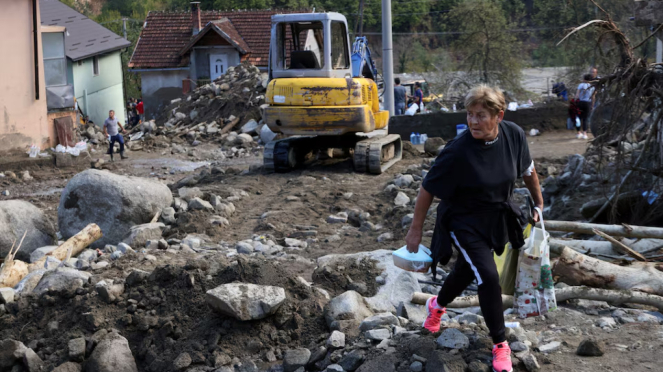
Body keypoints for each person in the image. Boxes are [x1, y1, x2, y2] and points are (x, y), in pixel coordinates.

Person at [405, 85, 543, 372]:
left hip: (497, 217)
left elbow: (528, 171)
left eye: (481, 115)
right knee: (488, 276)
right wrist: (415, 230)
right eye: (469, 115)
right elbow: (427, 189)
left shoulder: (514, 135)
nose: (473, 122)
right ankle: (500, 345)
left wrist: (539, 204)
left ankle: (436, 305)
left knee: (469, 269)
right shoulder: (457, 151)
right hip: (463, 220)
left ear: (499, 116)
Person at [575, 74, 595, 140]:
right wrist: (592, 105)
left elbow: (577, 95)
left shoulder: (581, 85)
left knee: (578, 117)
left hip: (580, 102)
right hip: (587, 103)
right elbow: (593, 97)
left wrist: (575, 101)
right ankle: (585, 134)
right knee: (585, 118)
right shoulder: (592, 86)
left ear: (584, 79)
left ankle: (578, 132)